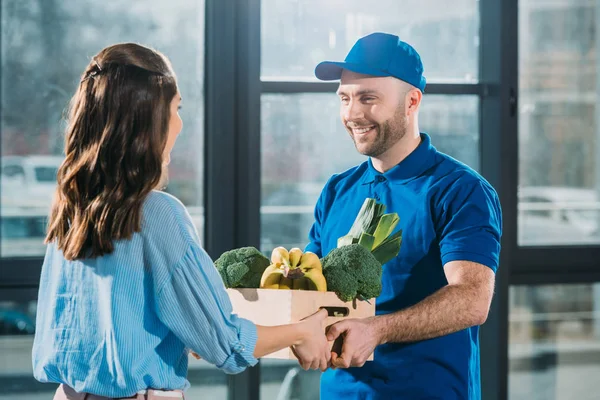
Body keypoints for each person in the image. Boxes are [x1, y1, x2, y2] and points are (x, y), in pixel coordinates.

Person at [32, 43, 330, 400]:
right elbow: (228, 345)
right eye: (176, 108)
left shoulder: (71, 206)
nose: (180, 122)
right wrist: (303, 330)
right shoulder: (158, 213)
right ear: (148, 120)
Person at [306, 32, 502, 399]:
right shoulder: (336, 191)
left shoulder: (459, 190)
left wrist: (377, 330)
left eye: (368, 98)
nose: (352, 113)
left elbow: (474, 298)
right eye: (345, 98)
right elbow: (307, 287)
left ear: (412, 102)